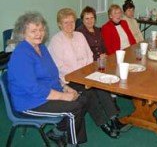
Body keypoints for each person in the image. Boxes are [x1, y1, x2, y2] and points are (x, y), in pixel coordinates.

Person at [8, 12, 87, 147]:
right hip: (30, 102)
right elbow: (33, 88)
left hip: (47, 93)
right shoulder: (21, 54)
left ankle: (56, 133)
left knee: (83, 99)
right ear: (23, 33)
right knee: (74, 108)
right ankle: (73, 144)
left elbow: (53, 74)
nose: (38, 34)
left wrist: (66, 87)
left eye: (41, 30)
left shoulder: (42, 48)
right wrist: (63, 96)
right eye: (33, 31)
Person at [48, 8, 125, 139]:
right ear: (59, 24)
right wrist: (81, 70)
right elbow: (60, 67)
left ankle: (113, 118)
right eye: (66, 22)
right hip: (69, 79)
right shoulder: (56, 41)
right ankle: (103, 123)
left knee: (101, 84)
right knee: (89, 93)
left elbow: (89, 56)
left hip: (86, 73)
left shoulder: (79, 35)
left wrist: (85, 69)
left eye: (72, 22)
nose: (70, 25)